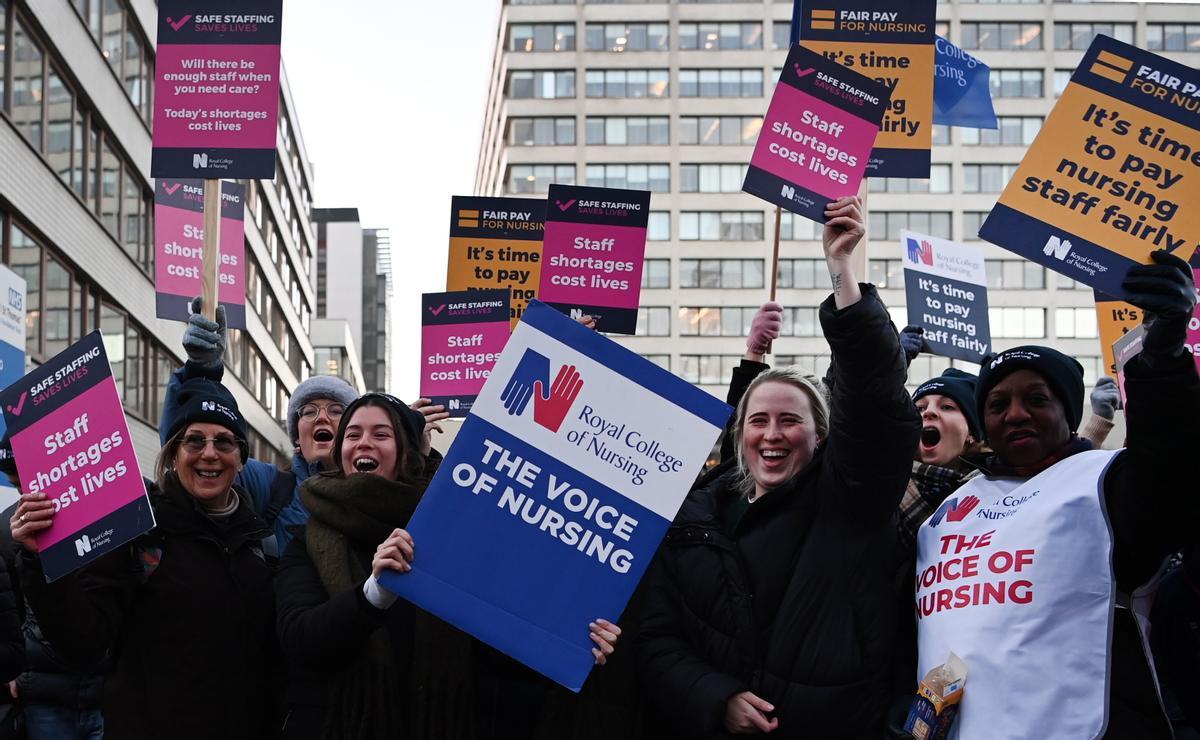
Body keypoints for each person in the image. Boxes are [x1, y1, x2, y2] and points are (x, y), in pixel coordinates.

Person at [636, 196, 921, 737]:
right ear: (740, 433)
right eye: (757, 420)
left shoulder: (850, 500)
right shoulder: (693, 517)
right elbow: (657, 637)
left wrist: (843, 276)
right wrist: (716, 698)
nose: (771, 435)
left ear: (822, 437)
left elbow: (873, 406)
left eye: (789, 420)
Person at [913, 249, 1199, 738]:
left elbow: (1172, 470)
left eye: (1037, 399)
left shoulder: (1106, 479)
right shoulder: (947, 508)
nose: (1016, 414)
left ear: (1068, 413)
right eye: (998, 404)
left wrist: (1163, 362)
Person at [275, 392, 621, 740]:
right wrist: (373, 595)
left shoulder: (453, 533)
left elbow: (502, 648)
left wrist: (574, 643)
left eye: (381, 434)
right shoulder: (307, 541)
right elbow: (301, 639)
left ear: (407, 454)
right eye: (353, 435)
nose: (364, 443)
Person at [12, 379, 280, 740]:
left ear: (241, 460)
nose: (210, 453)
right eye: (195, 440)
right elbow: (81, 643)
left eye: (225, 441)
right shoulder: (140, 533)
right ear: (172, 453)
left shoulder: (262, 541)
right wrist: (37, 557)